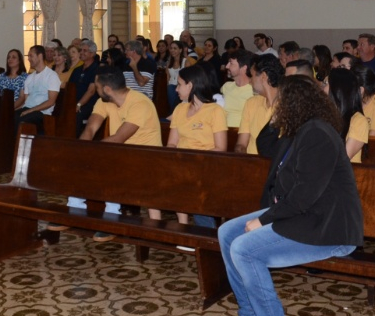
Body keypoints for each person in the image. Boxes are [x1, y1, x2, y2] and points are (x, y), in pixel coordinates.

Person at [218, 75, 362, 316]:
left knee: (244, 249)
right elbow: (270, 156)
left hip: (328, 226)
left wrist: (263, 221)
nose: (276, 104)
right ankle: (250, 315)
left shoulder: (318, 134)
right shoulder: (298, 131)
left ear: (294, 103)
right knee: (228, 232)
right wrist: (274, 122)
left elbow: (304, 196)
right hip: (305, 216)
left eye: (281, 100)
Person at [68, 65, 165, 240]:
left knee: (108, 163)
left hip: (147, 160)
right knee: (81, 161)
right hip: (122, 155)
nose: (95, 91)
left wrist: (92, 152)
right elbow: (90, 128)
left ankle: (112, 219)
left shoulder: (140, 103)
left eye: (97, 87)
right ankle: (75, 212)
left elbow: (119, 137)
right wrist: (80, 151)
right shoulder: (105, 101)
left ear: (107, 89)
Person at [167, 64, 227, 227]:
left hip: (205, 165)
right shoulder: (180, 109)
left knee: (197, 190)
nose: (176, 89)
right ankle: (183, 227)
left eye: (179, 84)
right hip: (183, 164)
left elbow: (220, 148)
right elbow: (172, 143)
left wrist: (194, 161)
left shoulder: (215, 111)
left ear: (191, 85)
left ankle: (205, 234)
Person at [236, 55, 281, 154]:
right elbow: (242, 144)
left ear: (264, 77)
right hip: (251, 165)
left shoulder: (286, 106)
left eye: (251, 76)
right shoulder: (251, 103)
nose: (249, 81)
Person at [15, 45, 60, 132]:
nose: (28, 59)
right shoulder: (29, 78)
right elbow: (26, 101)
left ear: (40, 56)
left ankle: (22, 145)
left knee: (19, 120)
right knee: (8, 118)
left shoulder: (51, 75)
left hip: (43, 113)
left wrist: (30, 110)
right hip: (28, 109)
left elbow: (51, 102)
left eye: (31, 56)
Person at [327, 67, 368, 162]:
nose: (321, 87)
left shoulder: (358, 121)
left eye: (326, 83)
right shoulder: (324, 114)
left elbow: (342, 159)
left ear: (337, 89)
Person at [221, 50, 255, 128]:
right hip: (223, 131)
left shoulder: (254, 90)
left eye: (231, 63)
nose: (227, 66)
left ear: (244, 68)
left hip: (242, 133)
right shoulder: (226, 87)